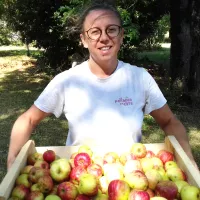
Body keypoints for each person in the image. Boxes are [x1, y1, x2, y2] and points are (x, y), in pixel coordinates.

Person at [7, 3, 198, 170]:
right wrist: (13, 158)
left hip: (129, 177)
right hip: (79, 179)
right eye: (95, 31)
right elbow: (28, 119)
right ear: (83, 39)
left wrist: (189, 161)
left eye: (111, 29)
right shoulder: (67, 81)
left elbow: (169, 122)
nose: (104, 37)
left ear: (121, 35)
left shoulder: (140, 78)